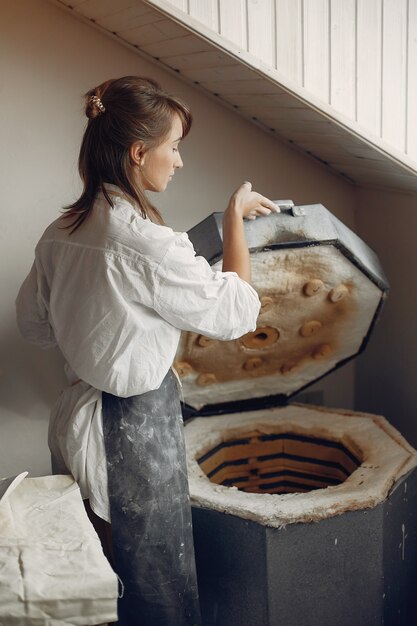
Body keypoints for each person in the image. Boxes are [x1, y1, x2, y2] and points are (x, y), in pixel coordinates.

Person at [15, 76, 279, 625]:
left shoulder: (60, 231)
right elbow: (238, 311)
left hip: (76, 420)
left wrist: (96, 329)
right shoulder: (148, 245)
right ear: (139, 152)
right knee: (154, 585)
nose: (179, 162)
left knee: (96, 577)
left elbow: (34, 327)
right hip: (133, 433)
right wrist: (234, 217)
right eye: (175, 147)